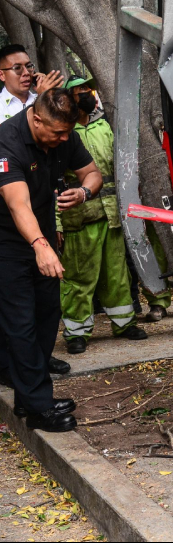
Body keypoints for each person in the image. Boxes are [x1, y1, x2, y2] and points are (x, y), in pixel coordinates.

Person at [0, 88, 102, 432]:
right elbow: (18, 205)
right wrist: (41, 245)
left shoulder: (63, 137)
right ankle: (39, 407)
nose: (63, 139)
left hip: (42, 237)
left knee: (47, 314)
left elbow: (93, 173)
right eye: (57, 133)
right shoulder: (7, 141)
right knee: (21, 322)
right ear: (37, 118)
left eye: (67, 133)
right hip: (8, 243)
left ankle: (29, 397)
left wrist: (84, 191)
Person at [55, 77, 148, 354]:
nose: (86, 94)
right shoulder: (65, 133)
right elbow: (54, 183)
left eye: (88, 90)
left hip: (112, 215)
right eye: (80, 90)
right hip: (79, 217)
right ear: (69, 98)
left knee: (117, 274)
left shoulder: (104, 126)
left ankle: (124, 323)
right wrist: (57, 222)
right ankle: (76, 333)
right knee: (79, 276)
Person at [0, 44, 64, 121]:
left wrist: (50, 97)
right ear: (2, 75)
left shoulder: (42, 97)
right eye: (17, 68)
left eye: (29, 66)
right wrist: (40, 100)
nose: (26, 72)